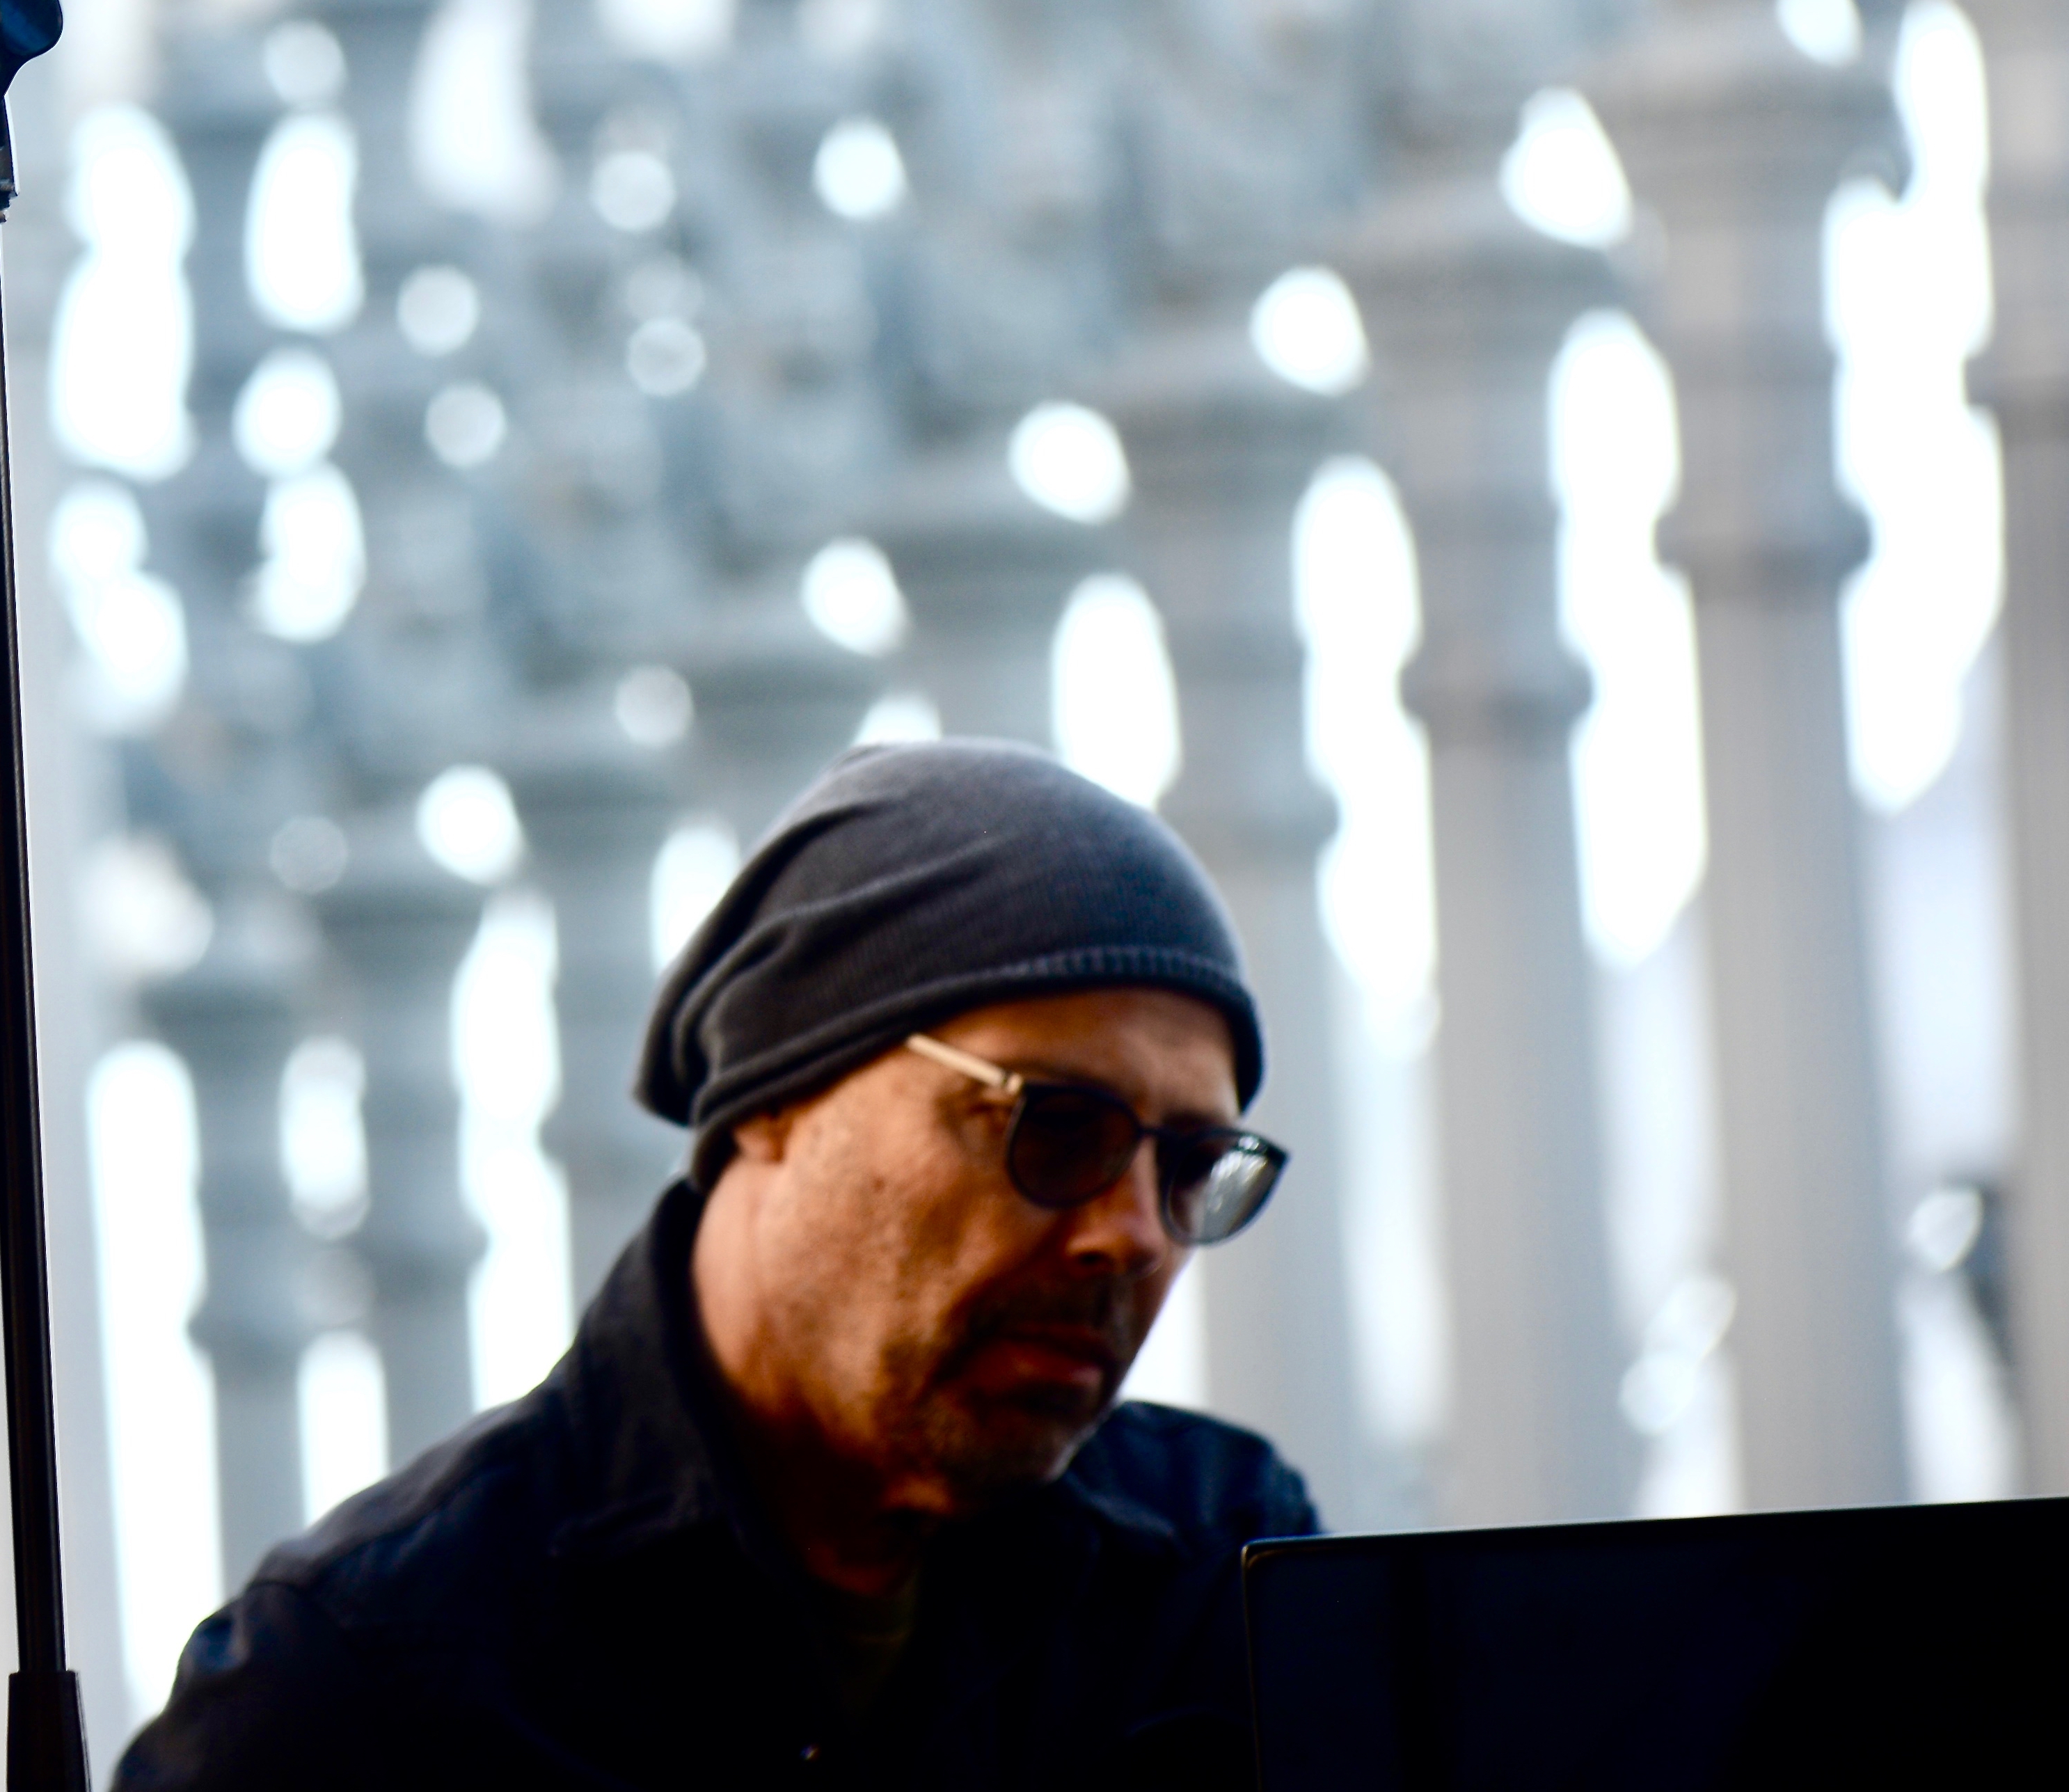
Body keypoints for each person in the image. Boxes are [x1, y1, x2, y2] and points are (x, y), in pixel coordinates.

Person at [119, 739, 1317, 1790]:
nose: (1137, 1233)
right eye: (1056, 1126)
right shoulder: (366, 1681)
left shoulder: (1223, 1570)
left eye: (1191, 1167)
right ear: (777, 1095)